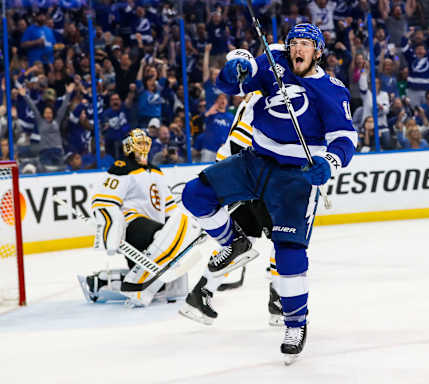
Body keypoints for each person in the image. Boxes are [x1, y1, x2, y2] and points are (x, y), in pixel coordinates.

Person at [181, 24, 357, 362]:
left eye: (305, 45)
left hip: (296, 177)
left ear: (317, 52)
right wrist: (234, 73)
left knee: (289, 250)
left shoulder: (331, 89)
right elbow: (229, 84)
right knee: (195, 195)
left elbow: (346, 138)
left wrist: (331, 162)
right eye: (294, 44)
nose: (297, 49)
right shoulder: (274, 60)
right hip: (254, 160)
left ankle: (295, 323)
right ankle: (233, 243)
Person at [180, 91, 283, 328]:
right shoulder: (266, 97)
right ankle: (279, 300)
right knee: (284, 237)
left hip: (243, 173)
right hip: (250, 176)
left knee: (241, 244)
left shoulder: (265, 93)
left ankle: (201, 293)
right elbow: (240, 141)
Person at [78, 129, 202, 307]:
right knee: (162, 236)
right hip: (132, 226)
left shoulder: (156, 171)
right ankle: (136, 284)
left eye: (145, 143)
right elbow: (103, 200)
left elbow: (169, 209)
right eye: (139, 143)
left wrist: (188, 232)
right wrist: (111, 227)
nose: (143, 147)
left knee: (172, 253)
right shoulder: (122, 168)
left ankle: (102, 281)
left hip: (155, 232)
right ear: (129, 146)